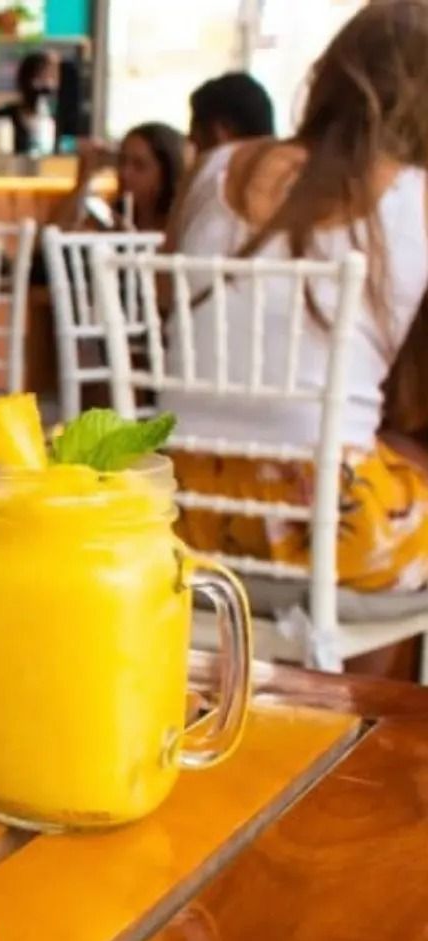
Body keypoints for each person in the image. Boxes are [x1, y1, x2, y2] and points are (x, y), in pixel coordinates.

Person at [163, 0, 428, 592]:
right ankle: (355, 680)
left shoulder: (213, 166)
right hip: (329, 523)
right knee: (400, 478)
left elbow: (166, 297)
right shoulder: (417, 194)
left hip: (179, 502)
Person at [54, 122, 189, 232]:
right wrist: (84, 177)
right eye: (122, 161)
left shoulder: (179, 224)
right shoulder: (112, 218)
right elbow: (54, 237)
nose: (124, 172)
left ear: (166, 173)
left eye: (139, 166)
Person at [187, 71, 276, 154]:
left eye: (196, 127)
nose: (190, 139)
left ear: (223, 130)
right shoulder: (283, 164)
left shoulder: (217, 168)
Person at [0, 51, 59, 157]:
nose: (45, 86)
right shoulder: (2, 117)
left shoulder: (57, 122)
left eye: (51, 79)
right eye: (38, 79)